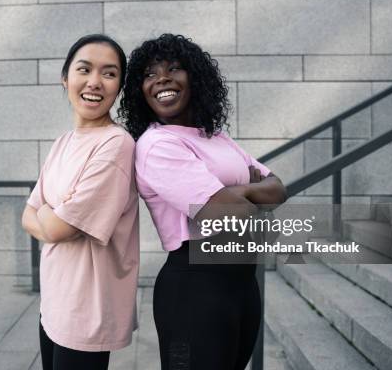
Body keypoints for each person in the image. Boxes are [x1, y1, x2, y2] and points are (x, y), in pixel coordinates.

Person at [118, 33, 287, 370]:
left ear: (195, 77)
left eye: (174, 68)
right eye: (149, 74)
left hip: (241, 285)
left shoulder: (216, 138)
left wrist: (235, 195)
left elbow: (279, 189)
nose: (162, 79)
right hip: (195, 290)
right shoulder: (156, 145)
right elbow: (225, 212)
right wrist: (246, 192)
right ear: (141, 91)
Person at [21, 34, 139, 370]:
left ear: (119, 87)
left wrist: (47, 212)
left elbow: (57, 228)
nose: (94, 82)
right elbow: (26, 215)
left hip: (87, 312)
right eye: (84, 69)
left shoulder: (116, 144)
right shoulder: (63, 142)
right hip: (54, 304)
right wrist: (48, 215)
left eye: (109, 73)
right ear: (65, 78)